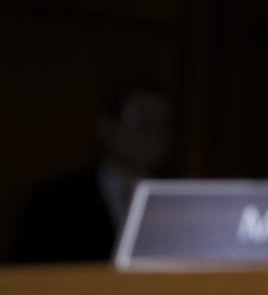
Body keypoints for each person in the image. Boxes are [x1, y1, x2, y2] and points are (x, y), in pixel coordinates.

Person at [9, 80, 176, 263]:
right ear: (105, 126)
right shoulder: (54, 199)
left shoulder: (179, 204)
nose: (149, 130)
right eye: (136, 117)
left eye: (161, 121)